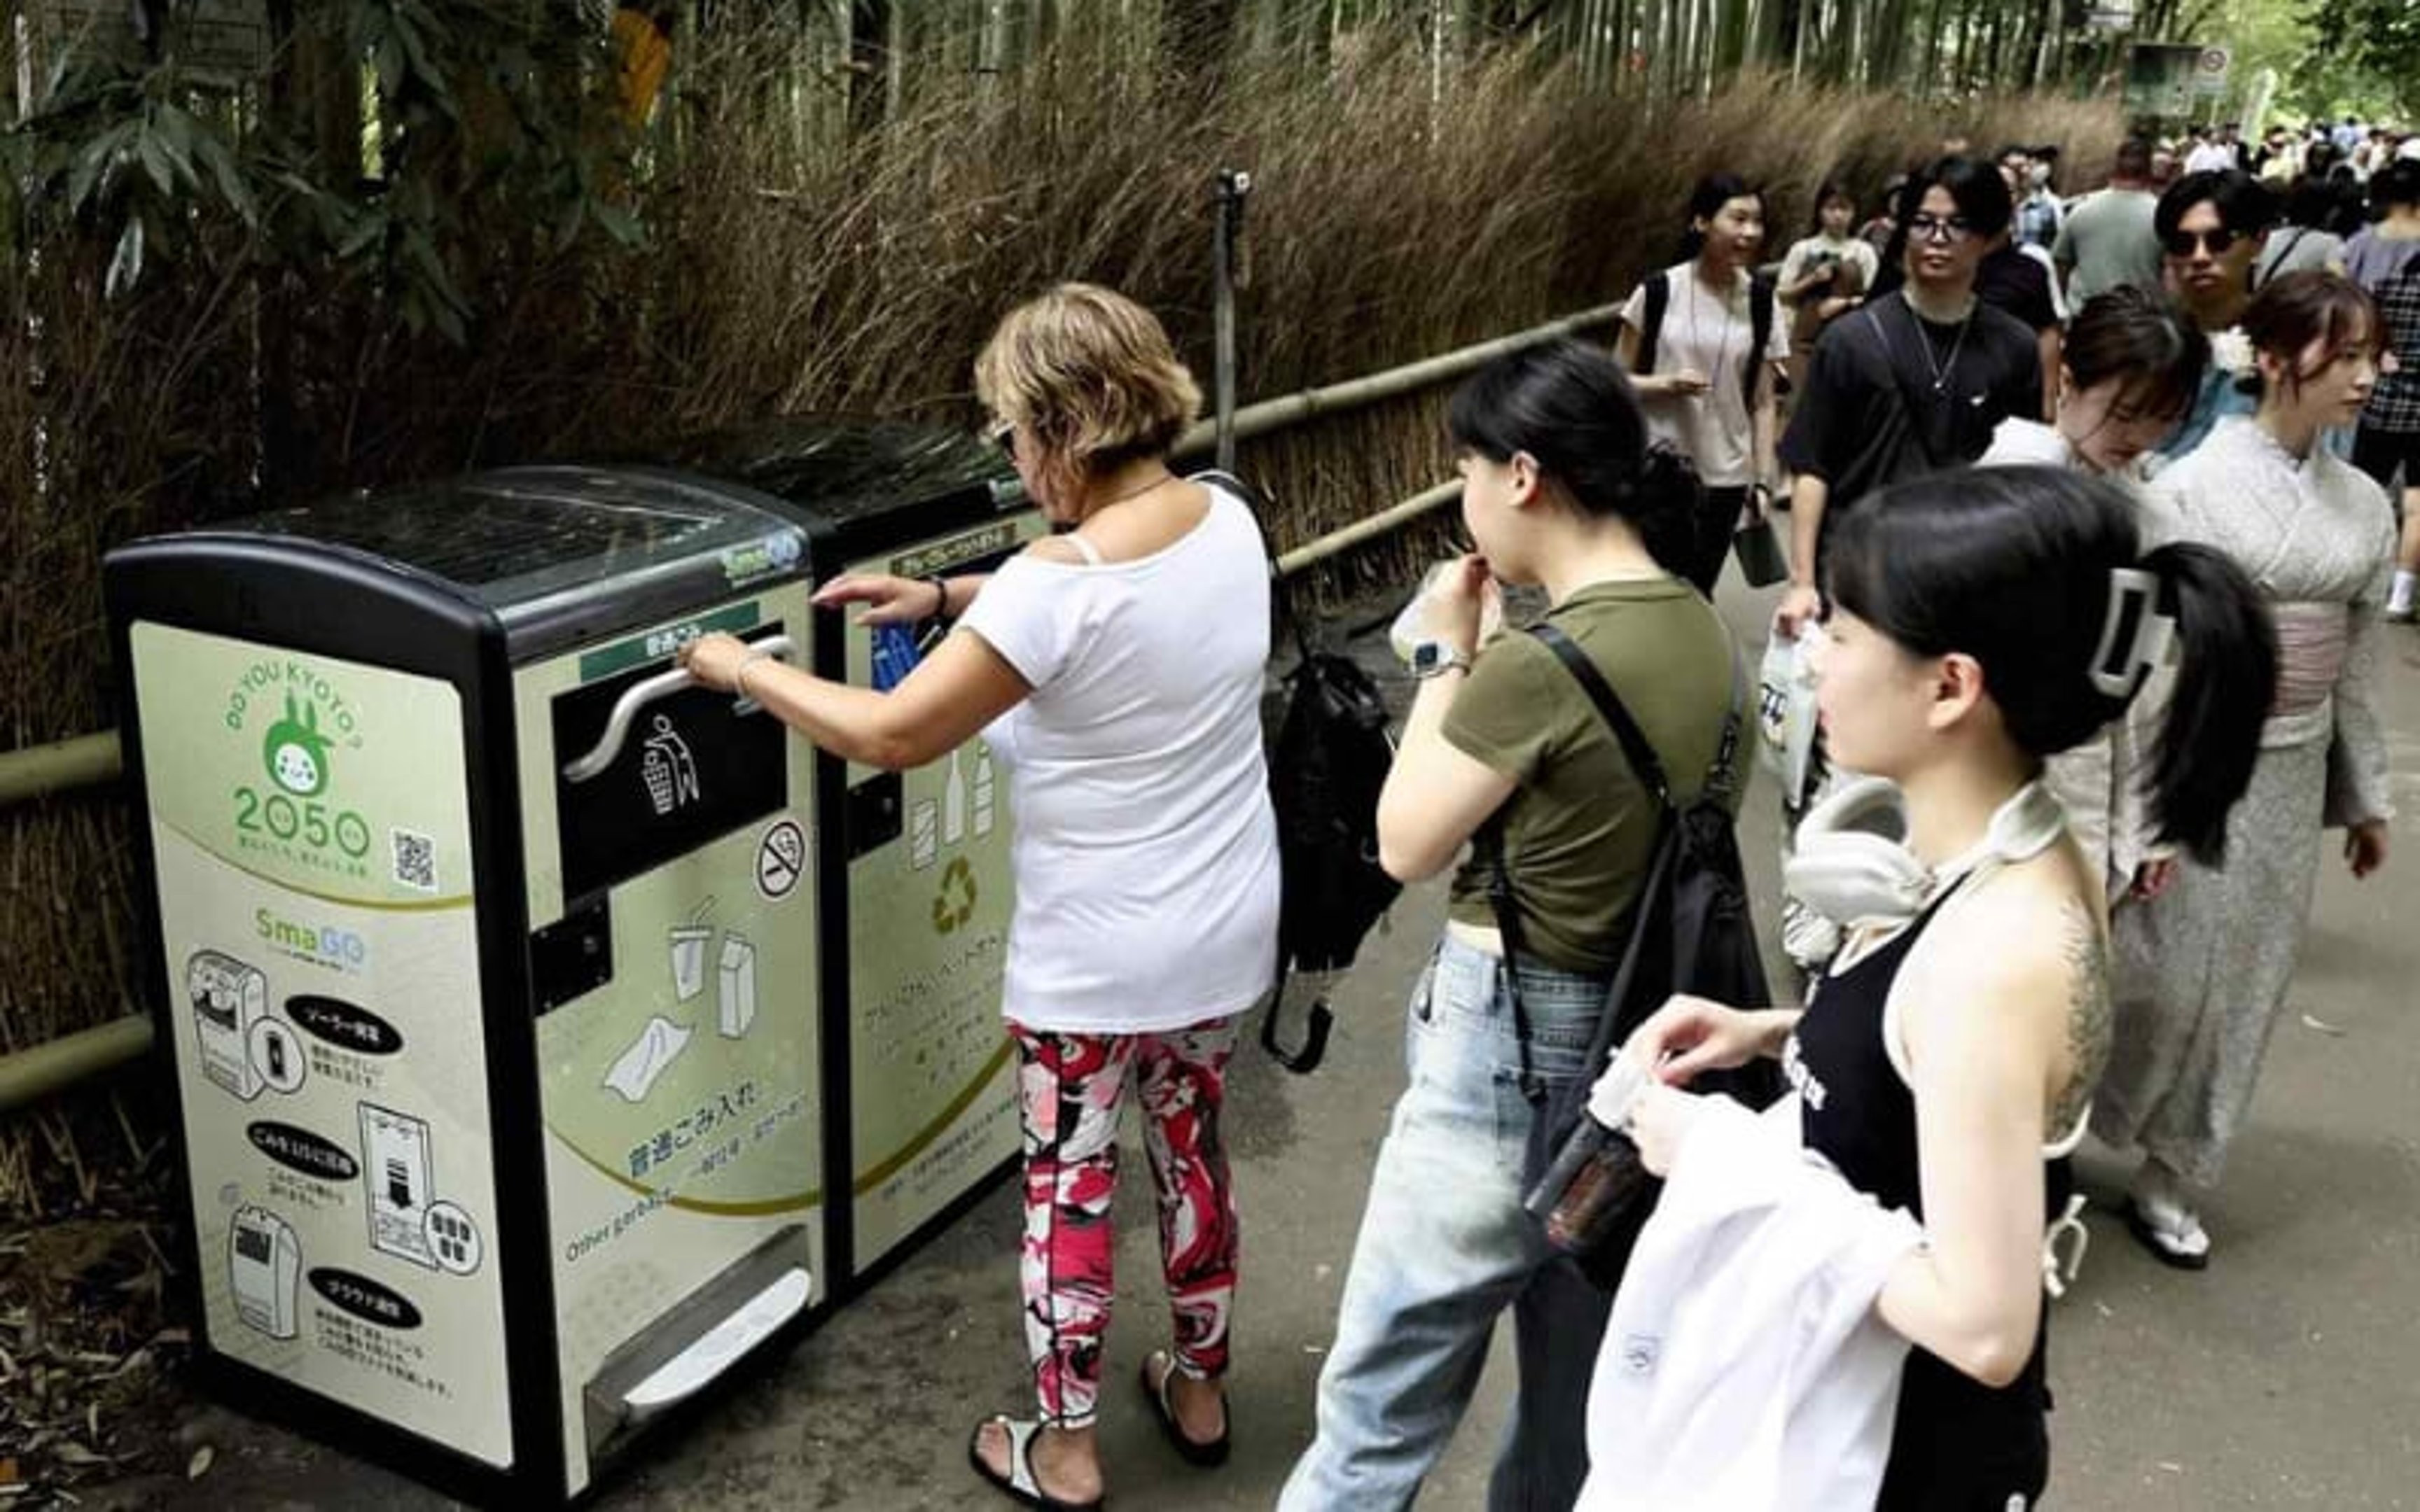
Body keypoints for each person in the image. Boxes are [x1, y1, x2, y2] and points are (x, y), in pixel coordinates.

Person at [684, 283, 1278, 1510]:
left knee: (1069, 1186)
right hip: (1223, 933)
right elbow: (1104, 613)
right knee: (1191, 1155)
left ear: (1068, 425)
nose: (1009, 459)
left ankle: (1062, 1450)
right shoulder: (1228, 516)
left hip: (1091, 968)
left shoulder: (1054, 583)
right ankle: (1203, 1387)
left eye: (1013, 433)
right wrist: (948, 598)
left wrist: (740, 666)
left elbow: (894, 734)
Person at [1600, 464, 2272, 1508]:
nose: (1813, 651)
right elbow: (1943, 1072)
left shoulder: (1998, 955)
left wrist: (1717, 1158)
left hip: (1897, 1458)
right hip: (1844, 1406)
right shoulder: (2001, 853)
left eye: (1844, 631)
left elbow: (1987, 1326)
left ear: (1951, 684)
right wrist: (1776, 1032)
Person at [1281, 339, 1735, 1512]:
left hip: (1507, 1056)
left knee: (1377, 1410)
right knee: (1574, 1404)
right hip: (1639, 1052)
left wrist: (1443, 655)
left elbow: (1404, 844)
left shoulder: (1540, 662)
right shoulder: (1700, 625)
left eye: (1468, 473)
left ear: (1522, 477)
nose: (1465, 498)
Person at [2098, 272, 2397, 1270]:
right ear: (2274, 359)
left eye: (2370, 355)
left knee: (2253, 982)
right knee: (2159, 967)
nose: (2367, 375)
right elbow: (2144, 656)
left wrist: (2364, 795)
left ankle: (2177, 1169)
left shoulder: (2362, 503)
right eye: (2344, 355)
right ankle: (2067, 1118)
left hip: (2293, 761)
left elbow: (2356, 657)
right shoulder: (2187, 490)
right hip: (2194, 748)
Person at [1980, 288, 2211, 889]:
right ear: (2070, 382)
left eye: (2163, 416)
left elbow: (2151, 686)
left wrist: (2152, 822)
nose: (2140, 434)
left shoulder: (2154, 515)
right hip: (1984, 754)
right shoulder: (2005, 479)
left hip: (2091, 766)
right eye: (2126, 411)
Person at [1775, 157, 2045, 640]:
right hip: (1857, 572)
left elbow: (2018, 481)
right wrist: (1802, 581)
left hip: (1958, 576)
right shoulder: (1852, 339)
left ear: (1988, 236)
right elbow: (1813, 464)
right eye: (1923, 223)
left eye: (1957, 225)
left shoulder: (2015, 347)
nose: (1937, 238)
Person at [1615, 173, 1786, 595]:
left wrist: (1762, 479)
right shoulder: (1658, 292)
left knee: (1698, 590)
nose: (1749, 232)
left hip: (1726, 475)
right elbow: (1615, 381)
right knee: (1652, 586)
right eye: (1738, 219)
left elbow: (1764, 402)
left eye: (1757, 222)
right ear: (1702, 223)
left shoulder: (1762, 302)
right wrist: (1665, 385)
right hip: (1659, 469)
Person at [2149, 169, 2279, 467]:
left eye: (2219, 240)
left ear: (2259, 241)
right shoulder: (2147, 339)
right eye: (2183, 244)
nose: (2200, 257)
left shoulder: (2285, 350)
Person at [2343, 160, 2420, 620]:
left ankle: (2353, 574)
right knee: (2418, 499)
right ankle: (2401, 593)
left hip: (2373, 387)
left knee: (2364, 487)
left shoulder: (2360, 246)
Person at [1777, 180, 1881, 400]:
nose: (1838, 215)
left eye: (1844, 208)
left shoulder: (1863, 251)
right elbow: (1782, 293)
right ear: (1820, 211)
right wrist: (1812, 280)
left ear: (1854, 212)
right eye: (1831, 208)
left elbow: (1876, 300)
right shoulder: (1803, 249)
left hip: (1851, 343)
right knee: (1799, 405)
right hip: (1804, 341)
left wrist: (1844, 303)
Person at [2055, 138, 2167, 307]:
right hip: (2141, 322)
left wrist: (2061, 315)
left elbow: (2060, 268)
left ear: (2115, 168)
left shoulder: (2081, 211)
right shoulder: (2163, 217)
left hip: (2085, 320)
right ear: (2149, 170)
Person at [2253, 176, 2352, 288]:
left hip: (2262, 301)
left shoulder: (2272, 236)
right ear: (2330, 213)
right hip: (2290, 304)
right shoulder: (2330, 243)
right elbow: (2341, 286)